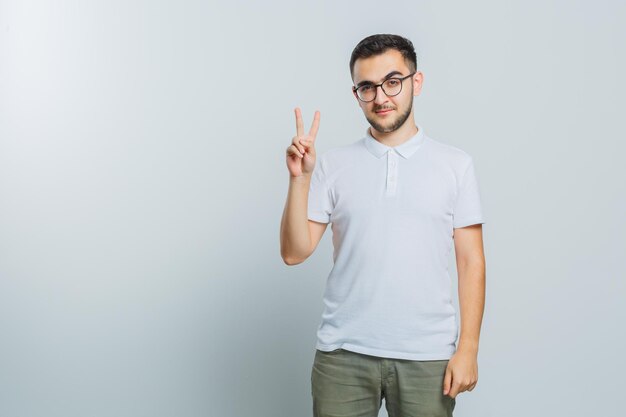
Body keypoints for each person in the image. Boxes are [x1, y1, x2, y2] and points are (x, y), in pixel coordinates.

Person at [280, 33, 486, 417]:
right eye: (367, 87)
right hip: (343, 355)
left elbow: (471, 262)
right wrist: (299, 179)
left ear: (415, 82)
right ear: (356, 93)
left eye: (393, 82)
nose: (380, 97)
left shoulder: (455, 165)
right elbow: (294, 252)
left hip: (428, 356)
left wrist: (468, 348)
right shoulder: (333, 165)